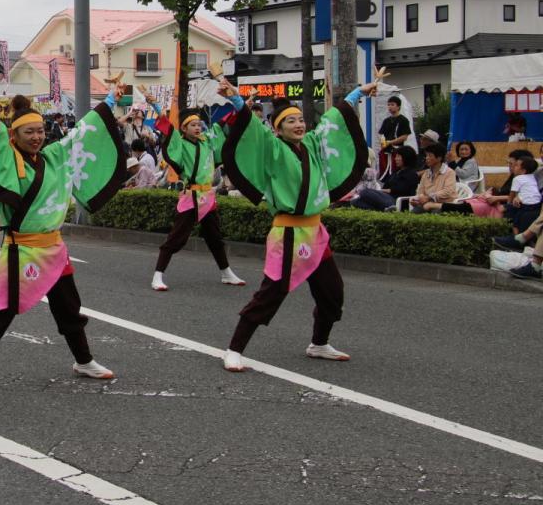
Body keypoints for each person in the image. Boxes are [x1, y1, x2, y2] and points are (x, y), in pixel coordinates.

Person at [0, 63, 128, 402]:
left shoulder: (54, 156)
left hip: (54, 249)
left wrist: (112, 99)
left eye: (41, 131)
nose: (37, 137)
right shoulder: (5, 155)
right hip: (22, 250)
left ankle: (84, 361)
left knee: (69, 308)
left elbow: (84, 131)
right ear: (14, 136)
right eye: (29, 132)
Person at [221, 82, 376, 372]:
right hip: (288, 233)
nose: (298, 125)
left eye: (301, 119)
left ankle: (319, 343)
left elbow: (332, 119)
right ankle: (234, 349)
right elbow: (253, 130)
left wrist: (359, 93)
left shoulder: (313, 144)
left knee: (332, 293)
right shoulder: (272, 148)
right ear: (278, 129)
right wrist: (237, 100)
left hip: (316, 233)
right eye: (290, 121)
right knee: (271, 293)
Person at [151, 82, 246, 291]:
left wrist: (240, 103)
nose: (198, 127)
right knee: (176, 238)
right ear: (184, 129)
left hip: (207, 197)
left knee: (215, 238)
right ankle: (158, 275)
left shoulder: (208, 141)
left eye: (199, 124)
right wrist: (156, 106)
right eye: (193, 125)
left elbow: (223, 123)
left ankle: (226, 273)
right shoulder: (180, 142)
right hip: (191, 196)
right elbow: (167, 127)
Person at [350, 146, 419, 211]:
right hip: (386, 197)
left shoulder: (412, 174)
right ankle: (386, 209)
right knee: (355, 202)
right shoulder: (396, 172)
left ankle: (388, 207)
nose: (395, 159)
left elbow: (402, 189)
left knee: (365, 192)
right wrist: (380, 191)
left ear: (406, 158)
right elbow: (386, 186)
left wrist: (381, 191)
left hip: (397, 200)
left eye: (398, 156)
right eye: (396, 156)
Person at [409, 144, 457, 212]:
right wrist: (418, 200)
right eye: (426, 155)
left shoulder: (449, 172)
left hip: (444, 204)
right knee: (415, 211)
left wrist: (429, 197)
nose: (427, 158)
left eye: (430, 156)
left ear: (439, 158)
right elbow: (420, 191)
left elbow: (447, 191)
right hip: (427, 203)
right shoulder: (426, 173)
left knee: (435, 212)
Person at [377, 96, 412, 177]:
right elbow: (381, 134)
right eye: (388, 105)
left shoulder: (403, 120)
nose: (390, 107)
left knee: (395, 171)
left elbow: (404, 136)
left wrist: (390, 142)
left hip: (397, 151)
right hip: (386, 151)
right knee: (384, 173)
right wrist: (383, 142)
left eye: (392, 104)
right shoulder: (386, 120)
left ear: (398, 106)